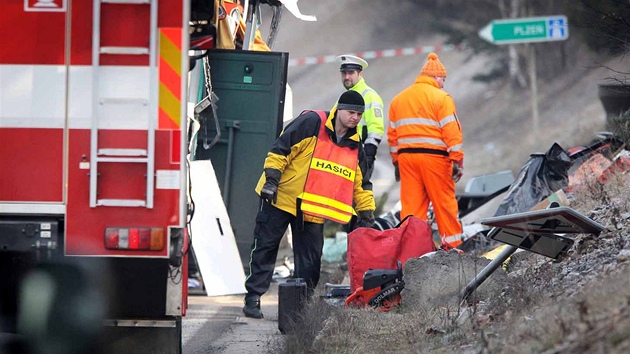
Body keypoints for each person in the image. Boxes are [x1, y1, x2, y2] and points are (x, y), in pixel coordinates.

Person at [242, 91, 377, 319]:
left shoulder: (355, 146)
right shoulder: (313, 122)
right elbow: (280, 150)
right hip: (280, 196)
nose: (355, 117)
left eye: (359, 114)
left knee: (311, 263)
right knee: (265, 247)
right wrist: (272, 181)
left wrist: (367, 214)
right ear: (339, 109)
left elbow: (361, 184)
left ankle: (299, 309)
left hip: (312, 209)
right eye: (351, 112)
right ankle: (253, 298)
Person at [387, 52, 464, 249]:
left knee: (412, 210)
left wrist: (396, 162)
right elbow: (451, 132)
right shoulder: (442, 98)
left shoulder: (398, 100)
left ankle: (413, 254)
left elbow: (393, 136)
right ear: (435, 77)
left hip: (406, 160)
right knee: (444, 206)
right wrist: (457, 160)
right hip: (435, 160)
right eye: (443, 79)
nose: (443, 84)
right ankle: (453, 249)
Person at [335, 54, 385, 186]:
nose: (346, 77)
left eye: (351, 73)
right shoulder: (345, 97)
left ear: (360, 74)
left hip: (359, 157)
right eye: (344, 73)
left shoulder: (370, 96)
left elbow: (376, 128)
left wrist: (368, 155)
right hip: (342, 156)